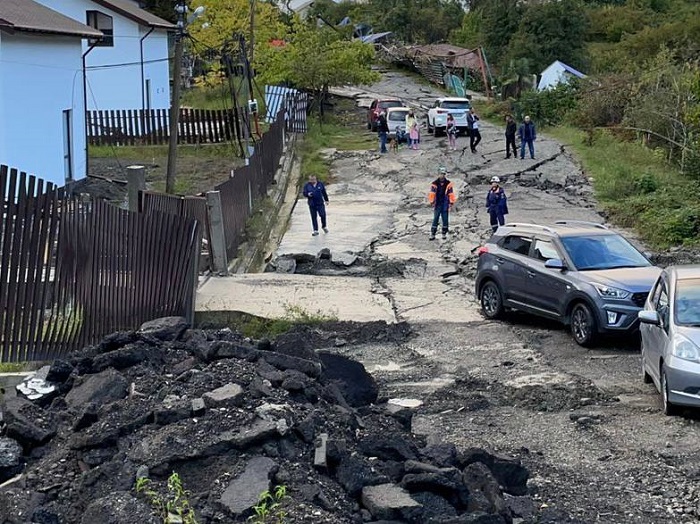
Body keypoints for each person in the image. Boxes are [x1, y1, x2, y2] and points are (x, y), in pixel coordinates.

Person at [428, 166, 456, 240]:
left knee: (445, 219)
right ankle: (433, 233)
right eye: (441, 174)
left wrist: (451, 202)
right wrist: (431, 201)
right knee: (435, 218)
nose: (442, 175)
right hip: (437, 203)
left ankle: (444, 233)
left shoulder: (448, 184)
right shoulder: (435, 183)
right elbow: (432, 193)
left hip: (445, 203)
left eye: (443, 174)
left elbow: (451, 193)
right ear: (438, 174)